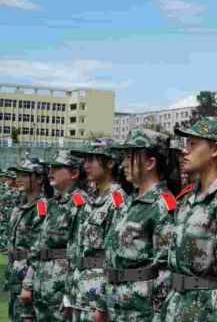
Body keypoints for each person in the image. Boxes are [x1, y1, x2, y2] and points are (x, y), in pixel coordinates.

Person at [163, 116, 217, 321]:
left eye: (193, 144)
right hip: (176, 308)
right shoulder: (187, 199)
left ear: (215, 149)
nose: (184, 150)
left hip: (206, 312)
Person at [104, 129, 179, 321]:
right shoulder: (128, 203)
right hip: (116, 305)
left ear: (150, 163)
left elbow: (165, 270)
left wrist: (158, 315)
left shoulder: (162, 206)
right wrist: (103, 304)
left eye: (130, 157)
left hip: (141, 311)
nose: (123, 164)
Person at [21, 150, 89, 321]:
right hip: (43, 286)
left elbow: (80, 253)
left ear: (74, 173)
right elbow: (38, 246)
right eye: (51, 167)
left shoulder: (80, 204)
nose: (51, 171)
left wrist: (70, 295)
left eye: (58, 168)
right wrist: (28, 283)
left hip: (62, 289)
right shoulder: (52, 204)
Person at [68, 140, 129, 322]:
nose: (85, 165)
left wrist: (106, 304)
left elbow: (117, 260)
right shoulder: (92, 199)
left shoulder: (118, 202)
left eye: (91, 159)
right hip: (80, 293)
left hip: (99, 300)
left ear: (110, 163)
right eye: (85, 160)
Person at [4, 159, 47, 321]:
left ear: (39, 178)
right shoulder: (20, 205)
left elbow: (39, 250)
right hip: (15, 276)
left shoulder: (42, 208)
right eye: (17, 175)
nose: (18, 179)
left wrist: (28, 283)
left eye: (24, 175)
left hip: (29, 278)